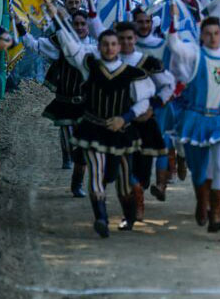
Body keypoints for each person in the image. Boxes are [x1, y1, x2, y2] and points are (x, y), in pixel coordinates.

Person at [50, 12, 154, 238]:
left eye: (113, 44)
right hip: (94, 129)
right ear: (99, 46)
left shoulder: (133, 73)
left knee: (124, 180)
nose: (109, 48)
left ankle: (129, 216)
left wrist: (124, 118)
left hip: (121, 132)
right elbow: (71, 48)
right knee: (96, 174)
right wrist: (58, 21)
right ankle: (101, 219)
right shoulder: (91, 66)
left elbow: (144, 101)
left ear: (119, 47)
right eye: (105, 44)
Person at [167, 9, 220, 233]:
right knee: (200, 170)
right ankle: (202, 202)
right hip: (196, 120)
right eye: (208, 33)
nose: (213, 37)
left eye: (216, 33)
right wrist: (173, 17)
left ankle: (216, 215)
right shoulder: (195, 56)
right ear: (201, 35)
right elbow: (175, 46)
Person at [21, 10, 93, 196]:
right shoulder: (61, 44)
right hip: (66, 103)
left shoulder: (96, 46)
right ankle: (68, 158)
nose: (79, 28)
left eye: (82, 24)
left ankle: (76, 184)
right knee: (70, 139)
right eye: (75, 24)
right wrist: (20, 29)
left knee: (82, 148)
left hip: (87, 105)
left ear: (88, 26)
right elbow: (35, 45)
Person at [115, 21, 174, 223]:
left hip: (144, 121)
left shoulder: (147, 62)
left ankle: (140, 188)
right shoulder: (108, 62)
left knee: (142, 169)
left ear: (135, 39)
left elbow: (168, 85)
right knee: (123, 166)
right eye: (121, 38)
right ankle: (134, 206)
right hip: (118, 123)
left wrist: (153, 106)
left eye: (129, 38)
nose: (126, 42)